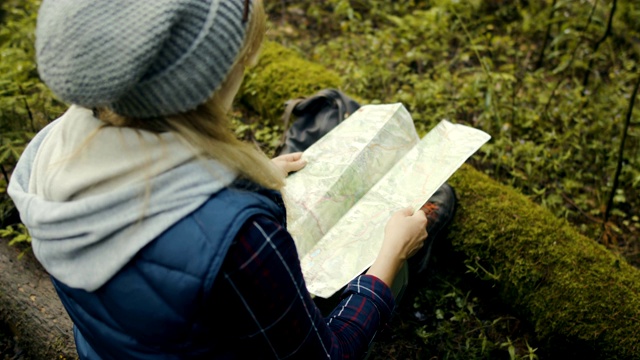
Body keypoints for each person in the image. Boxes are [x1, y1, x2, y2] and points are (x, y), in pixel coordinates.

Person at [8, 0, 455, 359]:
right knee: (430, 210)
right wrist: (388, 259)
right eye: (242, 58)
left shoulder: (46, 152)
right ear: (205, 81)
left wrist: (234, 177)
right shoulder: (242, 239)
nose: (247, 67)